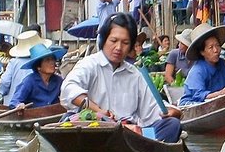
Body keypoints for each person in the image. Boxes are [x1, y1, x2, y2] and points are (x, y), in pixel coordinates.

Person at [60, 12, 182, 143]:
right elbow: (68, 89)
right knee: (68, 120)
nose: (118, 48)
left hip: (125, 134)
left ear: (130, 46)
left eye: (125, 43)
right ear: (103, 40)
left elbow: (151, 107)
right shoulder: (89, 64)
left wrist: (171, 111)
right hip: (93, 128)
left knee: (172, 125)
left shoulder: (134, 74)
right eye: (113, 41)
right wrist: (99, 111)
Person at [179, 23, 225, 105]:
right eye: (210, 47)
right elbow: (198, 96)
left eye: (217, 45)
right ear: (202, 52)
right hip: (195, 105)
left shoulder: (222, 64)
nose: (216, 50)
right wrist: (220, 93)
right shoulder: (198, 71)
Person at [0, 30, 52, 105]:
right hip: (20, 105)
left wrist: (2, 92)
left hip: (14, 105)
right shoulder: (43, 62)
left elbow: (5, 82)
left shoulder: (14, 62)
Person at [9, 44, 65, 109]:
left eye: (52, 59)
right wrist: (19, 105)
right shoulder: (29, 81)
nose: (52, 63)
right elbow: (15, 101)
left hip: (54, 115)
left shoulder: (58, 80)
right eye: (47, 60)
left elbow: (68, 95)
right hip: (34, 116)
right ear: (38, 67)